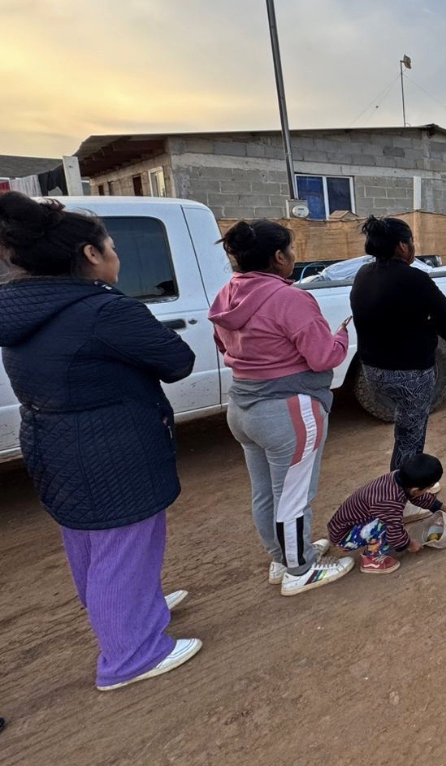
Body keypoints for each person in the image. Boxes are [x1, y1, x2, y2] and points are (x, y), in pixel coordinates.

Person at [0, 193, 201, 690]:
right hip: (113, 444)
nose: (116, 254)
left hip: (52, 438)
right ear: (91, 254)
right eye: (110, 245)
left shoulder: (18, 306)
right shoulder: (103, 310)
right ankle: (130, 655)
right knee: (125, 541)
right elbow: (177, 361)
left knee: (87, 537)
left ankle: (135, 609)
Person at [210, 220, 355, 596]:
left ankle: (284, 556)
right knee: (294, 495)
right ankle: (300, 570)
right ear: (278, 257)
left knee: (266, 492)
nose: (293, 256)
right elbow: (323, 357)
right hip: (288, 409)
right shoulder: (290, 297)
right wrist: (341, 336)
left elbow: (223, 347)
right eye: (290, 250)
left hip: (243, 406)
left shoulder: (227, 294)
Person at [350, 216, 446, 471]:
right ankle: (404, 493)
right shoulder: (415, 278)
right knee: (412, 435)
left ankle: (400, 479)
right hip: (410, 374)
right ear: (403, 246)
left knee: (405, 425)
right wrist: (426, 322)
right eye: (411, 242)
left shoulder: (364, 274)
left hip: (373, 371)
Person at [327, 454, 446, 575]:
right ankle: (371, 559)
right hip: (344, 537)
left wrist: (439, 507)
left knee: (390, 518)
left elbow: (417, 497)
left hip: (343, 526)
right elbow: (394, 530)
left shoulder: (398, 478)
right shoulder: (390, 502)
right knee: (388, 525)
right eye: (428, 488)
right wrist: (408, 544)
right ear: (415, 490)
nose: (428, 490)